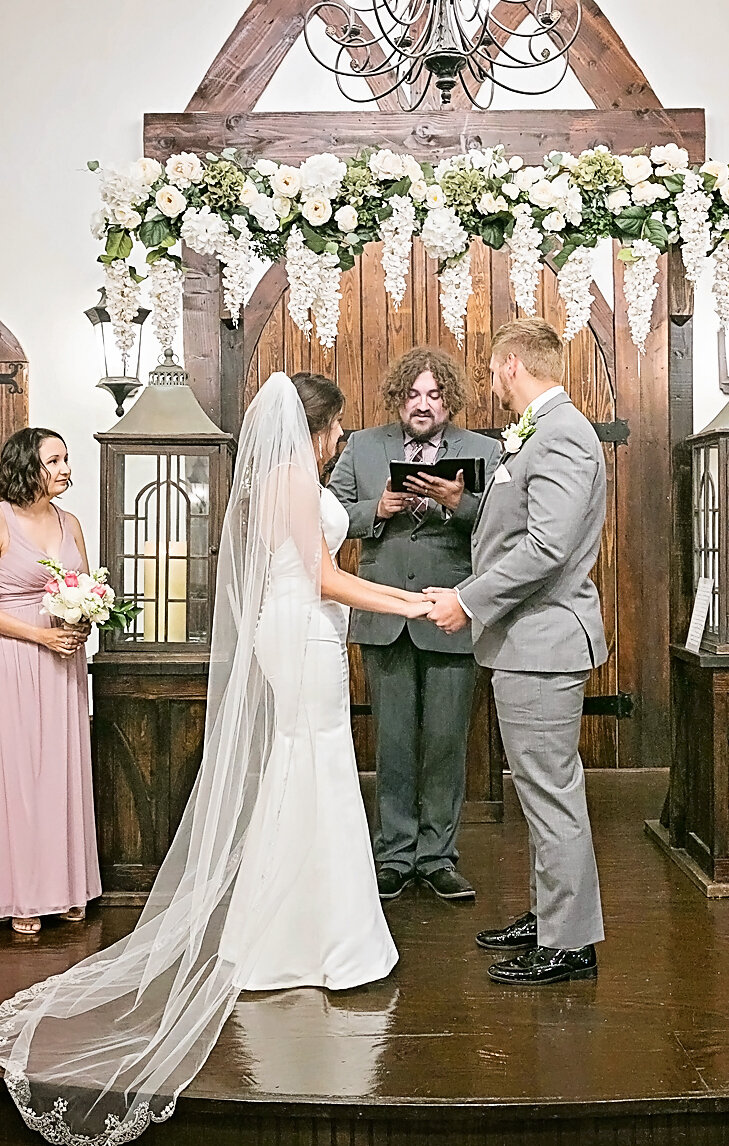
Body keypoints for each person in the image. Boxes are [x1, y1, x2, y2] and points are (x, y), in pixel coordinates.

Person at [0, 372, 431, 1145]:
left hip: (301, 629)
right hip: (303, 634)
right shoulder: (296, 479)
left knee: (306, 775)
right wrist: (411, 601)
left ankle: (292, 932)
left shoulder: (276, 479)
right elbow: (326, 576)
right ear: (319, 427)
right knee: (316, 771)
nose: (339, 442)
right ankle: (312, 941)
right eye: (336, 429)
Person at [426, 319, 608, 985]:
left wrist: (469, 600)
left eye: (493, 370)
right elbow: (519, 532)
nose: (493, 383)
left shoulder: (560, 435)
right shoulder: (547, 430)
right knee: (539, 791)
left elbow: (547, 549)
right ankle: (549, 913)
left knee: (551, 792)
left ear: (507, 366)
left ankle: (569, 943)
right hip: (528, 640)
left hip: (542, 641)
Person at [330, 347, 501, 902]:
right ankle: (395, 854)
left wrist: (459, 503)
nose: (422, 405)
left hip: (449, 612)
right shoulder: (362, 446)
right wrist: (375, 510)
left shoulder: (483, 451)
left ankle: (438, 856)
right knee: (394, 742)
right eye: (413, 396)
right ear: (398, 399)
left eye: (433, 396)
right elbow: (327, 518)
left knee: (448, 741)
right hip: (383, 614)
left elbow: (501, 526)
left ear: (448, 399)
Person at [0, 427, 101, 936]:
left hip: (64, 664)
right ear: (26, 466)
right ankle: (20, 894)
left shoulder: (71, 522)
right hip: (14, 661)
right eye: (54, 460)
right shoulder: (0, 518)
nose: (65, 468)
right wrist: (39, 638)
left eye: (66, 458)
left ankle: (63, 888)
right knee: (19, 776)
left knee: (62, 772)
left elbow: (87, 584)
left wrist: (82, 621)